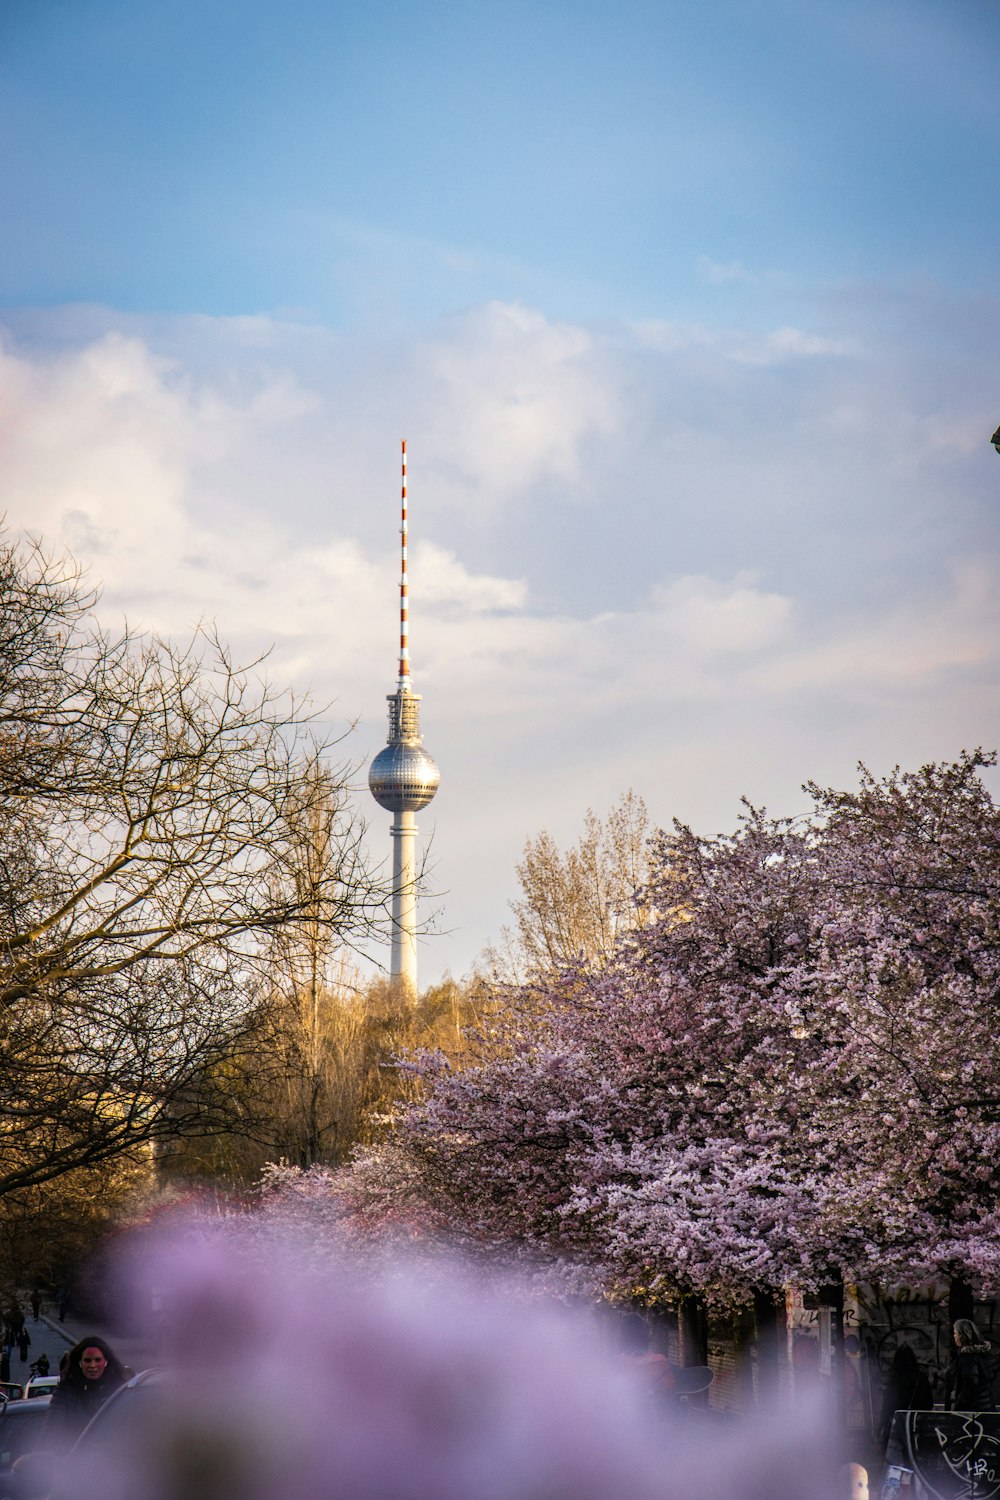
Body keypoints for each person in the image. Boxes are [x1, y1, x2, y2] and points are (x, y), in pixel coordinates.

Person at [44, 1336, 128, 1443]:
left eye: (97, 1360)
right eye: (87, 1361)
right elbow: (51, 1431)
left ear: (106, 1362)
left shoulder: (119, 1389)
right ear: (80, 1363)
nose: (92, 1365)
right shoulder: (66, 1389)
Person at [877, 1343, 933, 1449]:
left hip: (896, 1429)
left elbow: (887, 1407)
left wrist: (880, 1427)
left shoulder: (893, 1379)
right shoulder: (922, 1378)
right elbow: (929, 1404)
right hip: (916, 1428)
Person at [946, 1319, 996, 1412]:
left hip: (972, 1413)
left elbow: (970, 1383)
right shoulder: (978, 1356)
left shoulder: (968, 1358)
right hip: (982, 1410)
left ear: (962, 1335)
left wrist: (958, 1407)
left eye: (955, 1333)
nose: (954, 1336)